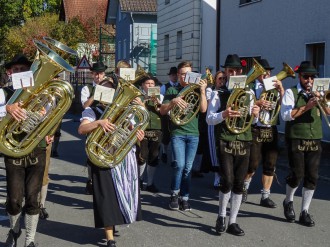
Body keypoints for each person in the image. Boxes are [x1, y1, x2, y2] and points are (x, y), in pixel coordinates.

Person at [78, 78, 144, 247]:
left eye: (109, 90)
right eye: (102, 89)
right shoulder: (92, 111)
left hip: (123, 158)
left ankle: (116, 222)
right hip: (102, 158)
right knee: (106, 197)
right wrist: (99, 123)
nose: (106, 93)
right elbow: (82, 129)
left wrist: (138, 136)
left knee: (121, 193)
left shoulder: (125, 111)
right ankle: (110, 238)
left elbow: (134, 130)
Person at [206, 54, 260, 236]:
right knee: (227, 180)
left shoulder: (250, 93)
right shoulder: (218, 93)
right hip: (226, 139)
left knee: (238, 183)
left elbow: (252, 122)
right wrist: (224, 114)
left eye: (237, 70)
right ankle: (221, 215)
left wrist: (256, 113)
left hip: (244, 139)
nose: (235, 72)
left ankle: (233, 221)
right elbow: (209, 119)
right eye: (231, 70)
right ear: (227, 73)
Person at [2, 54, 50, 247]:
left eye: (23, 69)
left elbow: (54, 117)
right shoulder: (3, 93)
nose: (20, 72)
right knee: (14, 199)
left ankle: (30, 239)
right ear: (10, 73)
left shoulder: (42, 93)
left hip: (36, 148)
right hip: (13, 149)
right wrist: (8, 108)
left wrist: (46, 121)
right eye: (16, 70)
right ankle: (14, 230)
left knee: (33, 197)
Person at [281, 61, 330, 227]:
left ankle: (304, 211)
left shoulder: (318, 93)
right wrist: (307, 107)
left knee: (312, 176)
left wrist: (323, 100)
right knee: (297, 174)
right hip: (296, 137)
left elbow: (329, 112)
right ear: (299, 76)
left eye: (312, 77)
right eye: (306, 77)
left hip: (315, 137)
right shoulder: (291, 92)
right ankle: (288, 201)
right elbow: (286, 115)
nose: (309, 80)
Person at [160, 61, 207, 211]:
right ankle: (174, 194)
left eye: (189, 74)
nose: (186, 77)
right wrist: (173, 102)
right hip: (178, 132)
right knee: (179, 165)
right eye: (183, 74)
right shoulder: (172, 91)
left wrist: (203, 91)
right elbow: (162, 111)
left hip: (193, 133)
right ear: (178, 76)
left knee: (188, 168)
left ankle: (185, 197)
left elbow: (204, 110)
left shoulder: (197, 91)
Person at [242, 59, 284, 208]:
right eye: (264, 71)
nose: (267, 74)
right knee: (252, 163)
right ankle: (244, 187)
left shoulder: (274, 87)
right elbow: (245, 105)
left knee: (270, 164)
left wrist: (281, 91)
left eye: (269, 71)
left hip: (270, 127)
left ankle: (265, 196)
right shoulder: (251, 86)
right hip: (255, 128)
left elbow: (282, 107)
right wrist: (259, 103)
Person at [135, 75, 163, 192]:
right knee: (142, 156)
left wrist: (158, 103)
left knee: (154, 157)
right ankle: (139, 180)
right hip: (143, 129)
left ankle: (150, 183)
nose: (150, 86)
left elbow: (162, 111)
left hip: (156, 129)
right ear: (142, 85)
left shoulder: (160, 96)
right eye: (148, 84)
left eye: (152, 84)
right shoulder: (138, 97)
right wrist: (142, 105)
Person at [206, 71, 226, 189]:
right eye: (219, 78)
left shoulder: (226, 91)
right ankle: (217, 177)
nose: (222, 80)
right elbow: (209, 106)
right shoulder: (211, 91)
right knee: (214, 149)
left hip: (223, 123)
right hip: (212, 123)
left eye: (224, 78)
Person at [159, 66, 179, 163]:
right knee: (166, 135)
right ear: (170, 76)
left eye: (176, 75)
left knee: (175, 136)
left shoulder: (180, 86)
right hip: (167, 115)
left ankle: (173, 159)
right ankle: (164, 152)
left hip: (177, 115)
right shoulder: (164, 87)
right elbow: (160, 101)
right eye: (172, 75)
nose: (174, 77)